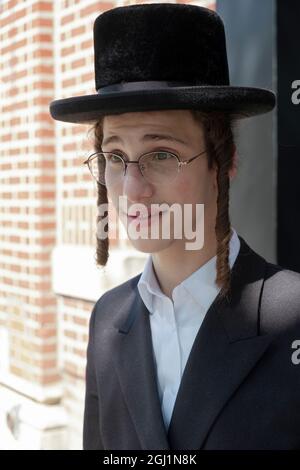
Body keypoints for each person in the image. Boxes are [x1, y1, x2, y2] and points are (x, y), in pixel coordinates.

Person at [49, 3, 300, 450]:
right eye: (114, 157)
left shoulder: (291, 316)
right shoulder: (107, 320)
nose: (132, 187)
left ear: (225, 160)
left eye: (161, 154)